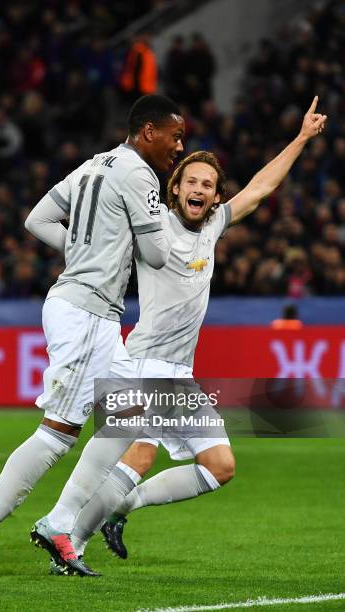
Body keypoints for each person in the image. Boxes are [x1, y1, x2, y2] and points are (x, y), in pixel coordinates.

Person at [48, 96, 326, 566]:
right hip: (138, 364)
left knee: (220, 466)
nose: (200, 189)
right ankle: (68, 542)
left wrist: (300, 139)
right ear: (174, 189)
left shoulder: (214, 224)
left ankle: (120, 508)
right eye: (191, 181)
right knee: (136, 458)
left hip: (179, 375)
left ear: (216, 197)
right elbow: (96, 230)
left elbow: (261, 188)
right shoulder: (150, 222)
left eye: (209, 185)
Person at [0, 94, 185, 586]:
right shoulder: (141, 175)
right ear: (147, 132)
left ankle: (58, 524)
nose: (179, 146)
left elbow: (36, 220)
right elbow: (159, 255)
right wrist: (102, 252)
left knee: (131, 414)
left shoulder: (93, 165)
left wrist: (84, 249)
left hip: (92, 311)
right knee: (58, 433)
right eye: (174, 136)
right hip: (84, 312)